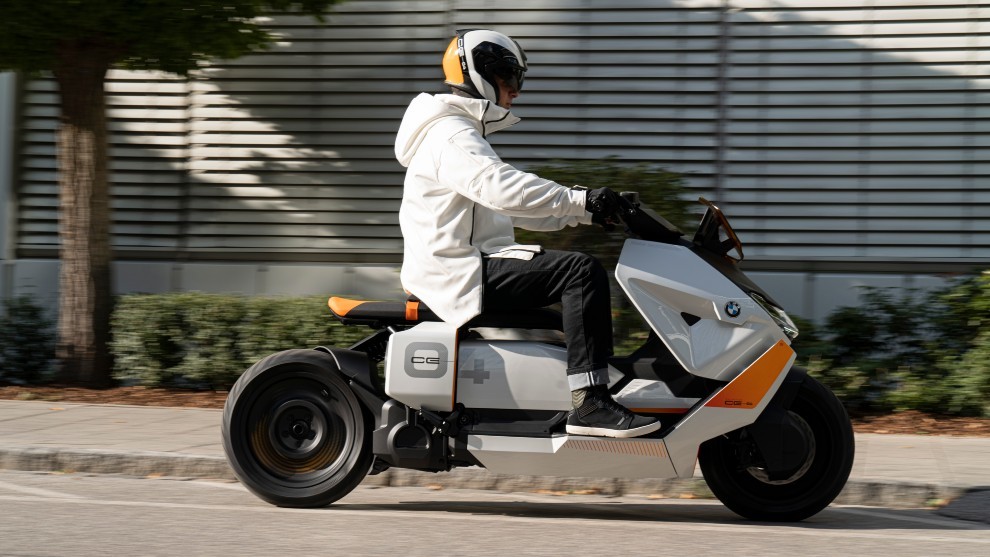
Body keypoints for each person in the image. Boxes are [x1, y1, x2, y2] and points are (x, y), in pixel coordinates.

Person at [393, 29, 660, 439]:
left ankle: (572, 396)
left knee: (564, 301)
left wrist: (585, 213)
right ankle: (590, 403)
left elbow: (509, 206)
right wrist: (581, 200)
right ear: (480, 74)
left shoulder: (458, 131)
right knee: (579, 273)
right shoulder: (452, 134)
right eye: (509, 78)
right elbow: (503, 189)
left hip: (463, 263)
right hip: (458, 270)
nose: (516, 90)